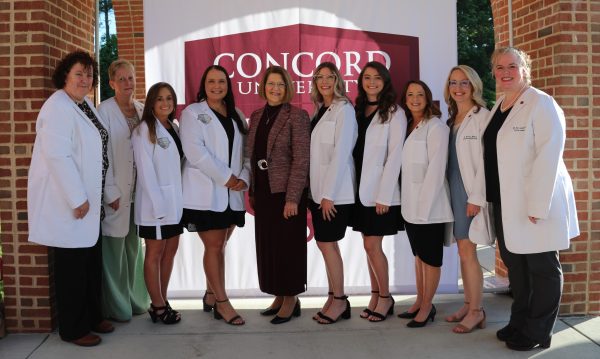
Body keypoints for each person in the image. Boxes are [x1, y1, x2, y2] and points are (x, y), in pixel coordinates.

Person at [484, 47, 579, 351]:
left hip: (535, 202)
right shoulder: (500, 104)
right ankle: (519, 321)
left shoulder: (541, 103)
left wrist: (538, 205)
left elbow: (549, 157)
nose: (505, 72)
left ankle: (539, 331)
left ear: (525, 69)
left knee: (542, 268)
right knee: (518, 268)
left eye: (512, 66)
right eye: (499, 67)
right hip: (506, 201)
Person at [28, 50, 115, 346]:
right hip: (70, 203)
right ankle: (74, 329)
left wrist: (105, 192)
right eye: (79, 73)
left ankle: (92, 316)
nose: (85, 79)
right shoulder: (57, 107)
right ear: (65, 75)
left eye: (89, 74)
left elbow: (100, 149)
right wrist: (77, 198)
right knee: (72, 269)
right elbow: (57, 155)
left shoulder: (85, 104)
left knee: (90, 262)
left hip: (91, 202)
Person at [180, 65, 250, 325]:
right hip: (205, 193)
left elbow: (245, 154)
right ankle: (223, 303)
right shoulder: (192, 113)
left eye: (221, 81)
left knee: (221, 246)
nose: (216, 86)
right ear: (203, 84)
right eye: (211, 81)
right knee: (213, 246)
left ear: (228, 85)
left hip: (232, 193)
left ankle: (211, 294)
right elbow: (195, 152)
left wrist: (244, 177)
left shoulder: (237, 115)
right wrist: (226, 178)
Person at [246, 66, 310, 324]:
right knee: (269, 247)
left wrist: (293, 197)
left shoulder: (297, 115)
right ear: (264, 86)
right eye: (271, 84)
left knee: (288, 247)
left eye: (281, 85)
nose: (275, 89)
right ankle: (278, 294)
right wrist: (251, 188)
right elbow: (252, 154)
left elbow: (302, 159)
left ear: (287, 88)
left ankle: (291, 298)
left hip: (286, 193)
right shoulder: (257, 114)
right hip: (263, 190)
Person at [352, 61, 406, 322]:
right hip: (360, 189)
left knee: (373, 244)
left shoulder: (394, 112)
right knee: (367, 244)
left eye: (377, 78)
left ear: (385, 82)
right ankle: (376, 295)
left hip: (379, 194)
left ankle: (385, 297)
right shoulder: (357, 109)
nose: (371, 82)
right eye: (366, 77)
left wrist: (384, 195)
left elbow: (395, 155)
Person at [98, 59, 150, 322]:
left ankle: (138, 301)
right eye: (122, 79)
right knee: (114, 252)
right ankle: (117, 308)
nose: (128, 83)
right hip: (117, 193)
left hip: (137, 194)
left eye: (131, 78)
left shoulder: (142, 109)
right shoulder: (103, 111)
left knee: (134, 248)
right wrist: (110, 192)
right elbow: (101, 155)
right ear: (111, 83)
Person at [399, 80, 453, 328]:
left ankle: (428, 306)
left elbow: (436, 170)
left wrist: (423, 207)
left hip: (430, 209)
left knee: (431, 259)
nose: (415, 99)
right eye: (410, 95)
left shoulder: (436, 127)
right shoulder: (409, 125)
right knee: (419, 257)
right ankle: (420, 300)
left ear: (428, 97)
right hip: (410, 206)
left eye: (420, 94)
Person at [442, 65, 491, 333]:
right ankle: (468, 303)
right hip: (453, 191)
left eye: (464, 83)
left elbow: (486, 162)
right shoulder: (452, 120)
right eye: (453, 83)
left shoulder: (482, 117)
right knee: (462, 252)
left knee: (468, 251)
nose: (459, 88)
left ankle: (476, 311)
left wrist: (477, 197)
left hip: (469, 193)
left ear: (474, 86)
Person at [308, 62, 357, 324]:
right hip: (319, 192)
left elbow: (340, 154)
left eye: (330, 77)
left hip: (334, 194)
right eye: (320, 77)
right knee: (326, 244)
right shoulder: (321, 110)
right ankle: (333, 296)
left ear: (337, 80)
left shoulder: (344, 109)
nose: (324, 81)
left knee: (328, 244)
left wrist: (328, 194)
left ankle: (340, 300)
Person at [131, 82, 184, 325]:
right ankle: (158, 306)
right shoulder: (144, 130)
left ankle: (162, 298)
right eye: (160, 99)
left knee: (170, 252)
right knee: (154, 253)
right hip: (155, 206)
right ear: (152, 102)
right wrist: (159, 206)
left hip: (174, 203)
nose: (165, 103)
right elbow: (145, 172)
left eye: (169, 99)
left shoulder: (173, 126)